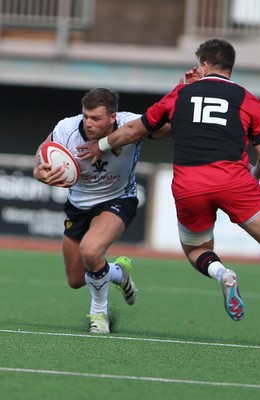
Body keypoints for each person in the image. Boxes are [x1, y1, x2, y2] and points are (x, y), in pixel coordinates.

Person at [79, 40, 260, 350]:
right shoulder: (247, 99)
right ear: (230, 68)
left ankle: (221, 272)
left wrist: (99, 146)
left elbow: (135, 131)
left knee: (196, 250)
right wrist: (252, 178)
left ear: (204, 65)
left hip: (188, 184)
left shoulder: (180, 94)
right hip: (235, 182)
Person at [33, 87, 170, 334]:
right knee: (75, 280)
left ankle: (99, 315)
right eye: (86, 116)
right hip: (78, 206)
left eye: (96, 118)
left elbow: (167, 127)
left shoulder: (130, 124)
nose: (89, 123)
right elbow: (42, 153)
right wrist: (39, 172)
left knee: (91, 250)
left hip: (118, 199)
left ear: (112, 117)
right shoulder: (67, 127)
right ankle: (117, 272)